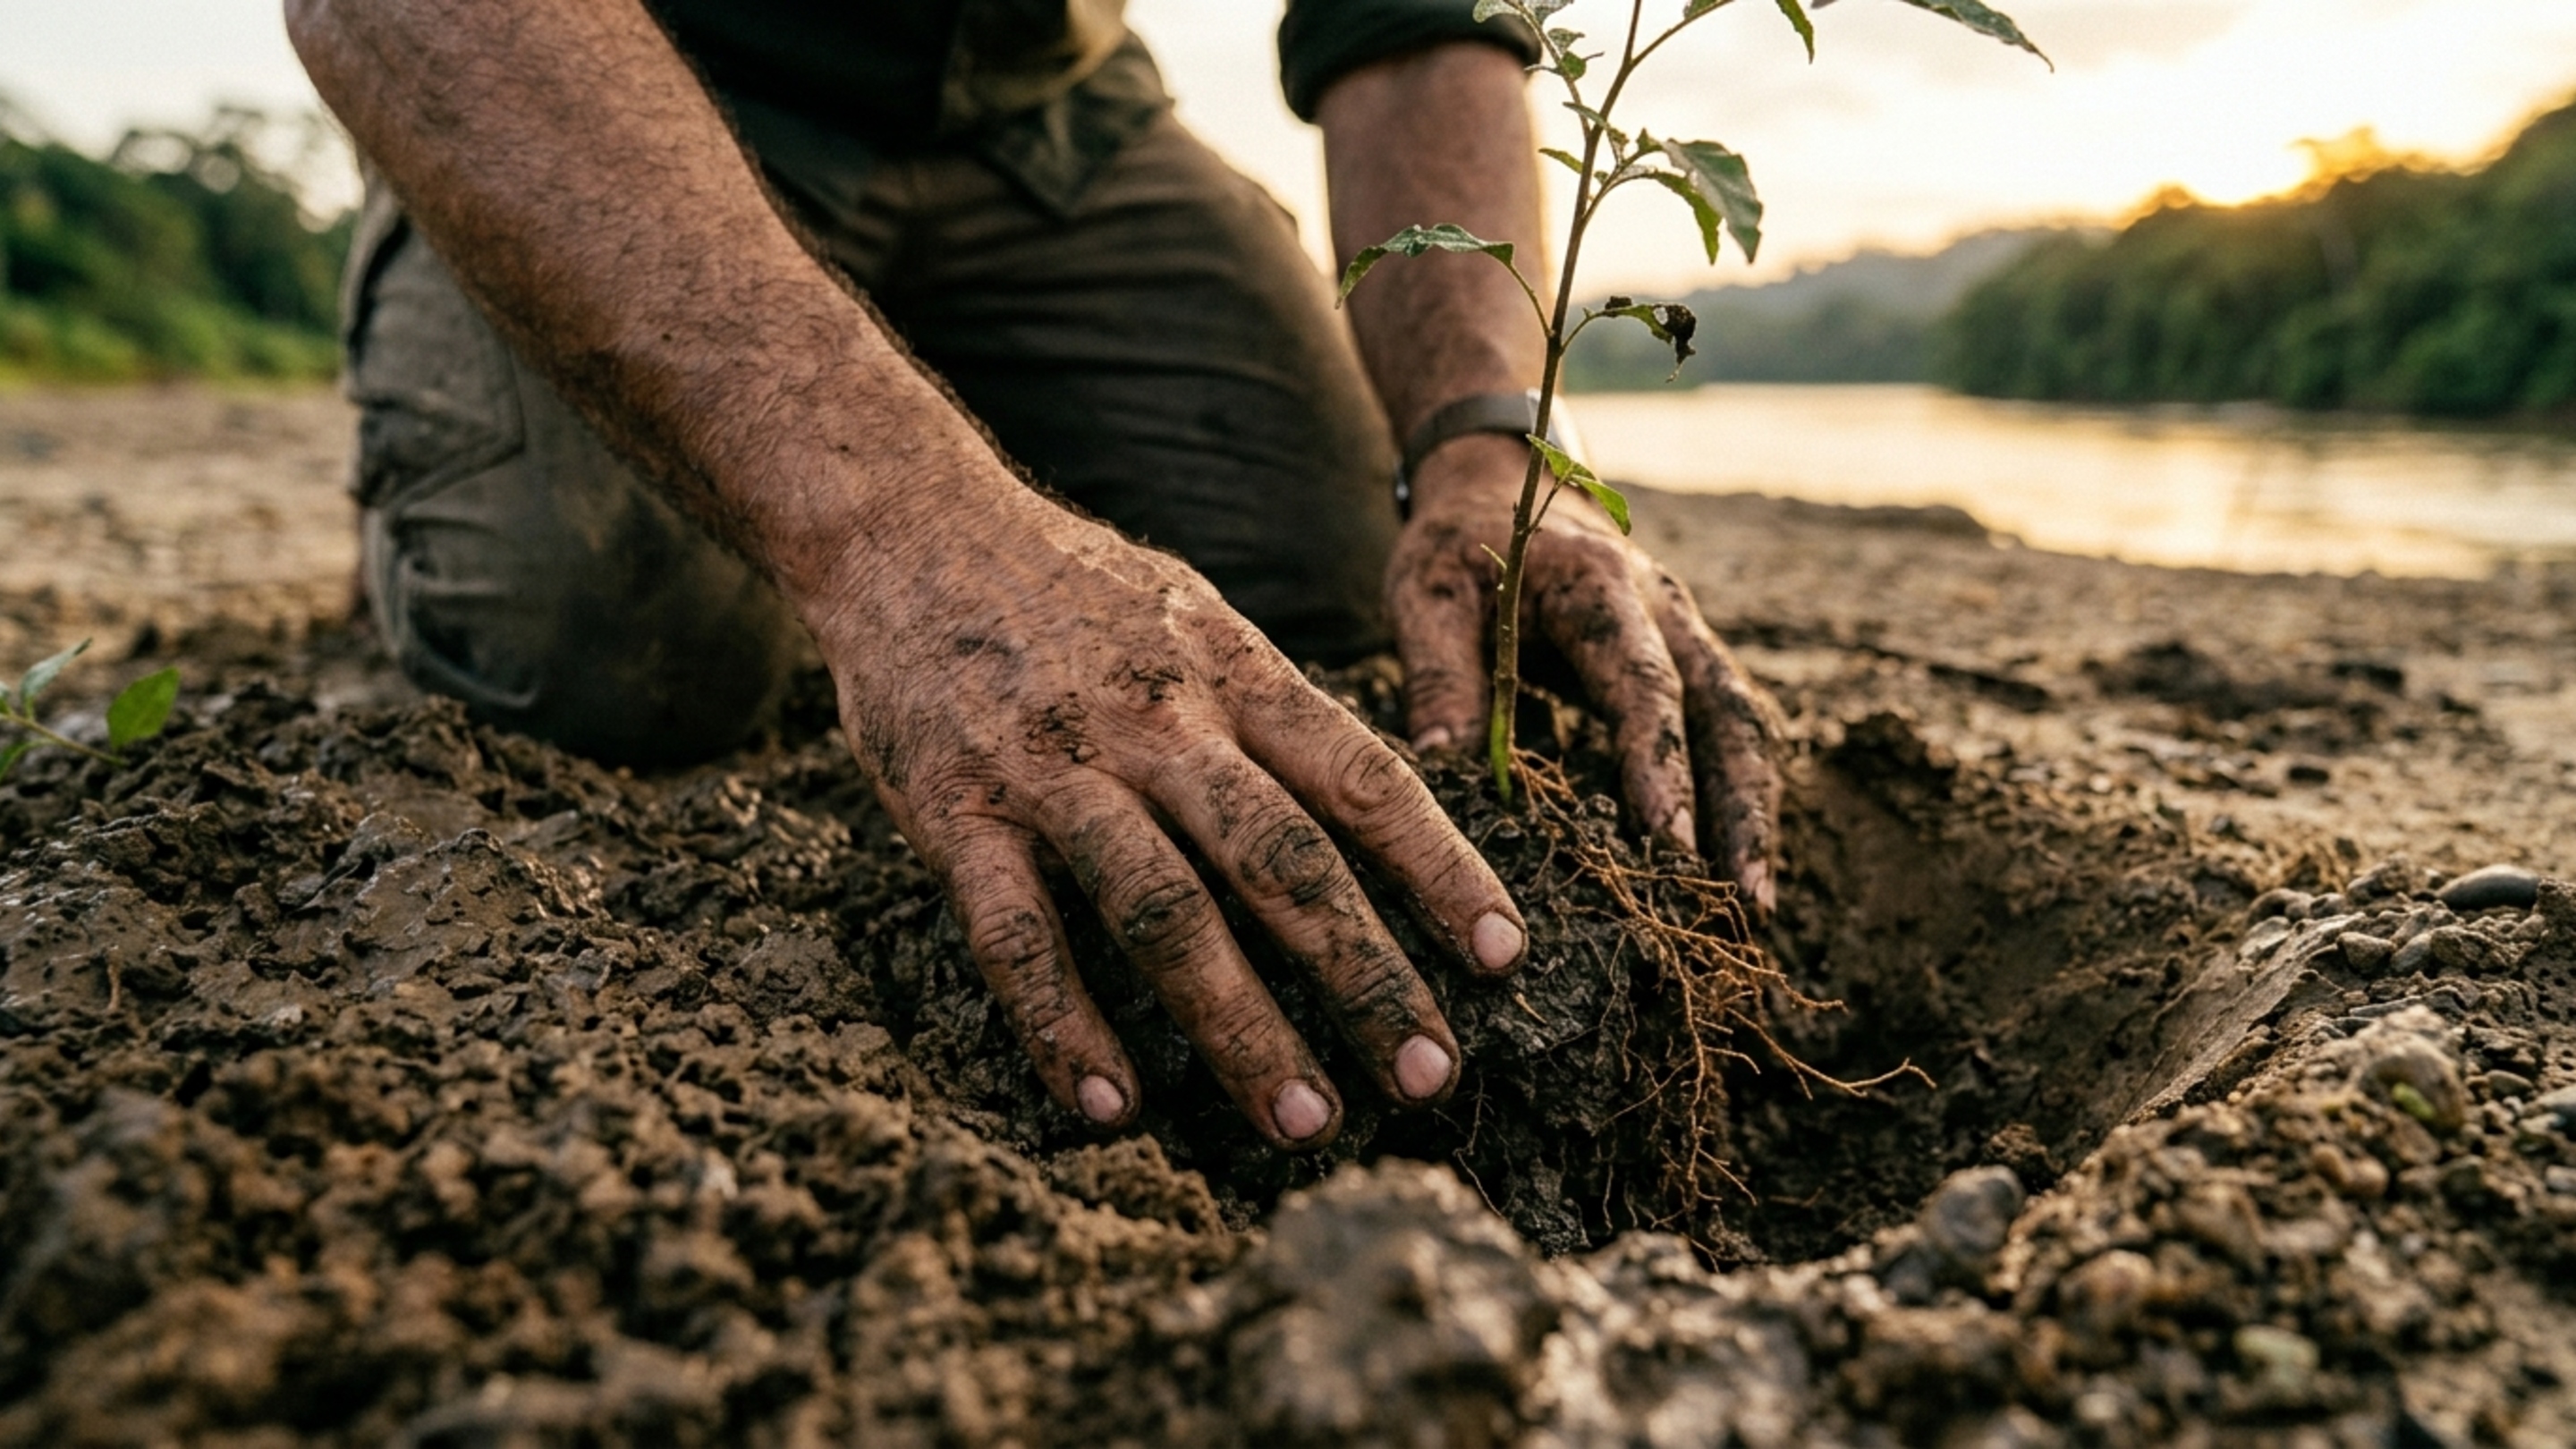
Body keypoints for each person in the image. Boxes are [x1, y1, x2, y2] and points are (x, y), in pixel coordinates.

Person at [287, 0, 1782, 1152]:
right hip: (620, 89)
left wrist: (1485, 443)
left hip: (1047, 118)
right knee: (606, 641)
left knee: (1327, 593)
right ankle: (452, 430)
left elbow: (1402, 12)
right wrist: (902, 537)